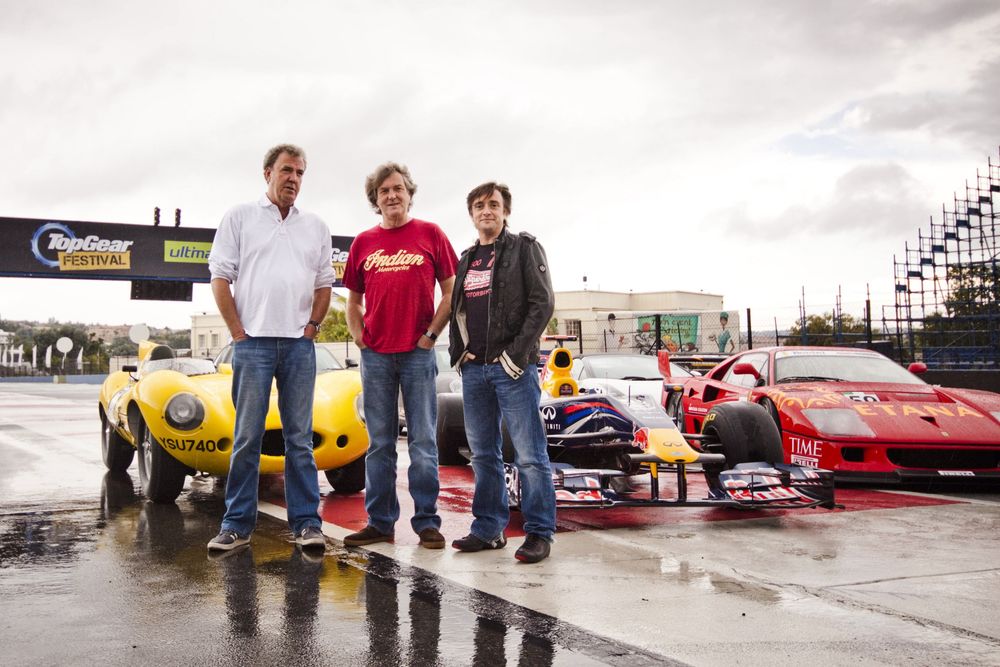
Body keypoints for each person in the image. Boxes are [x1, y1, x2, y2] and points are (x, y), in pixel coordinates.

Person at [206, 143, 334, 552]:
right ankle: (236, 526)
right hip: (253, 345)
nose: (293, 178)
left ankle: (307, 525)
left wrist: (312, 327)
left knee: (300, 439)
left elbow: (324, 284)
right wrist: (238, 332)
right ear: (268, 174)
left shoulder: (315, 225)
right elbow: (220, 278)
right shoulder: (239, 217)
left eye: (299, 172)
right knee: (247, 437)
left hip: (299, 346)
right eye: (286, 170)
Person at [343, 162, 457, 549]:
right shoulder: (363, 243)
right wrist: (360, 337)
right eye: (383, 191)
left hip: (417, 355)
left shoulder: (430, 234)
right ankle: (380, 522)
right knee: (379, 444)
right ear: (375, 200)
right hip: (376, 357)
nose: (391, 196)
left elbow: (451, 290)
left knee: (423, 442)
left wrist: (430, 335)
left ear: (409, 192)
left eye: (397, 189)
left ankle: (427, 521)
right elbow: (352, 302)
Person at [448, 182, 557, 563]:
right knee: (482, 455)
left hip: (513, 370)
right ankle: (488, 529)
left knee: (529, 455)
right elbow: (456, 311)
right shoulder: (467, 258)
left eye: (493, 204)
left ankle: (540, 533)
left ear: (505, 211)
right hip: (475, 371)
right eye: (478, 206)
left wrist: (514, 355)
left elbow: (542, 303)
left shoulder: (525, 248)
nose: (486, 211)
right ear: (472, 214)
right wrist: (460, 355)